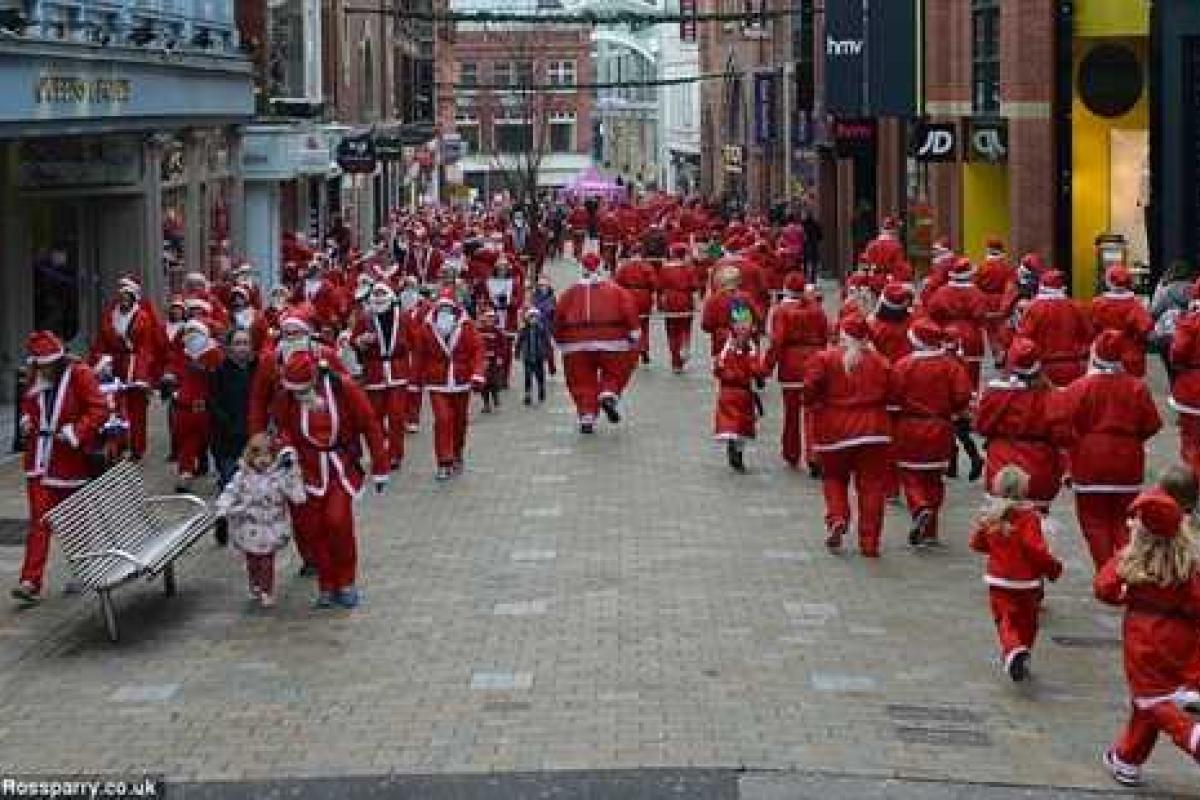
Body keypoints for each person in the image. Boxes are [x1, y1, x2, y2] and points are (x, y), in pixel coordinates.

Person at [1096, 488, 1200, 786]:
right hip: (1181, 635)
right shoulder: (1186, 563)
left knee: (1152, 700)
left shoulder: (1130, 559)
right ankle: (1127, 759)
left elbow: (1103, 587)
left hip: (1144, 638)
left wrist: (1125, 596)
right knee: (1148, 700)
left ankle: (1192, 736)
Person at [272, 351, 388, 608]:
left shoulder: (343, 388)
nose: (299, 396)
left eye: (303, 390)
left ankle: (346, 581)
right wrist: (285, 449)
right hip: (306, 470)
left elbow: (370, 424)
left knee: (338, 523)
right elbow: (282, 427)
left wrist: (380, 466)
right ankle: (326, 585)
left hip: (340, 467)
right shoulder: (287, 396)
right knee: (314, 531)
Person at [12, 332, 108, 604]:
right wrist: (27, 420)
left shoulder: (79, 374)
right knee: (39, 522)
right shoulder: (36, 375)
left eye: (47, 365)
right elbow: (30, 405)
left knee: (75, 520)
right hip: (39, 460)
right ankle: (30, 581)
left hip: (69, 459)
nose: (42, 370)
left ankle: (83, 570)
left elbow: (99, 409)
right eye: (39, 365)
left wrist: (76, 431)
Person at [1059, 330, 1162, 572]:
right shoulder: (1137, 388)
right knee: (1125, 522)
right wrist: (1131, 440)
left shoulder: (1079, 388)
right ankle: (1128, 570)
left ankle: (1107, 572)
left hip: (1089, 462)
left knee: (1094, 522)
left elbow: (1063, 424)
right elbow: (1151, 424)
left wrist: (1072, 452)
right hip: (1128, 461)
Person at [803, 313, 893, 557]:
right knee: (872, 486)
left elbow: (810, 388)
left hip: (835, 430)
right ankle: (870, 542)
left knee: (834, 478)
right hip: (874, 431)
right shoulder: (880, 362)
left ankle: (837, 517)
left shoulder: (825, 358)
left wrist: (815, 404)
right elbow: (892, 392)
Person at [969, 465, 1064, 682]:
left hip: (999, 579)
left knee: (1005, 620)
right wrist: (1053, 567)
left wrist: (995, 546)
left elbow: (976, 543)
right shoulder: (1029, 517)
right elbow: (1035, 549)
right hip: (1027, 581)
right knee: (1028, 621)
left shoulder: (991, 515)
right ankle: (1023, 651)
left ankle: (1013, 649)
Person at [890, 319, 974, 547]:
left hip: (910, 428)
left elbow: (893, 399)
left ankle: (919, 507)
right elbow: (962, 396)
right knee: (934, 479)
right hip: (940, 428)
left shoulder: (903, 366)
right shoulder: (950, 366)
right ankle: (930, 531)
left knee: (910, 475)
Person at [974, 338, 1070, 514]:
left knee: (1002, 518)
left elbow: (980, 427)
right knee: (1037, 518)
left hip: (1002, 464)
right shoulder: (1051, 396)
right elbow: (1062, 435)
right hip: (1041, 465)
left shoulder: (995, 393)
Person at [214, 435, 307, 608]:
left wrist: (293, 472)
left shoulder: (278, 477)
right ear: (250, 456)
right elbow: (230, 491)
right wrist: (223, 507)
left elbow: (297, 496)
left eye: (267, 455)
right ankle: (255, 583)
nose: (263, 460)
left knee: (266, 561)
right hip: (249, 525)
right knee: (252, 561)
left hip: (271, 526)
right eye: (258, 456)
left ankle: (267, 590)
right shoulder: (242, 476)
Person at [553, 253, 641, 434]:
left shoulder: (569, 294)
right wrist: (634, 331)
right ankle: (608, 392)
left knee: (581, 380)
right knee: (615, 372)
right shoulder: (616, 291)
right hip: (613, 340)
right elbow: (629, 309)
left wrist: (559, 338)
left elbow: (558, 317)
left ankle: (587, 415)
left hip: (575, 342)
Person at [410, 291, 486, 479]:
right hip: (437, 382)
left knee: (460, 421)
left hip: (461, 380)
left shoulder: (466, 326)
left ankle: (457, 452)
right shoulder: (427, 328)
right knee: (443, 419)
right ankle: (444, 461)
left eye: (448, 307)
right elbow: (419, 356)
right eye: (441, 307)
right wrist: (414, 382)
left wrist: (477, 374)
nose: (444, 311)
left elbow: (477, 350)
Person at [89, 275, 161, 461]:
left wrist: (141, 374)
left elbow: (147, 347)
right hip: (113, 364)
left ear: (134, 297)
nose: (124, 300)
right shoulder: (110, 315)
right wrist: (100, 362)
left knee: (137, 409)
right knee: (114, 406)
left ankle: (137, 448)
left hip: (135, 365)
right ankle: (118, 445)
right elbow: (101, 342)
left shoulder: (143, 317)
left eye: (127, 297)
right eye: (121, 296)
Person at [763, 274, 829, 473]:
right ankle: (814, 453)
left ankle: (791, 452)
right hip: (814, 361)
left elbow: (777, 342)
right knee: (812, 411)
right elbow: (825, 336)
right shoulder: (817, 310)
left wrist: (766, 367)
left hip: (790, 365)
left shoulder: (781, 311)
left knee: (791, 413)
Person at [352, 282, 410, 471]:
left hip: (397, 371)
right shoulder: (365, 318)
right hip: (374, 371)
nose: (378, 297)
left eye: (381, 293)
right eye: (375, 293)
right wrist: (360, 341)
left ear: (390, 295)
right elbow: (354, 340)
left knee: (396, 416)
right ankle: (379, 450)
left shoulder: (402, 317)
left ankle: (395, 454)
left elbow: (413, 341)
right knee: (374, 417)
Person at [209, 329, 259, 546]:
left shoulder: (257, 370)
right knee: (230, 482)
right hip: (228, 439)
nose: (242, 348)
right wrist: (230, 426)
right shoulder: (219, 373)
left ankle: (250, 526)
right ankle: (223, 518)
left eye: (246, 343)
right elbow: (214, 404)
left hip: (254, 438)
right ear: (229, 348)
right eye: (238, 343)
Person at [162, 319, 223, 492]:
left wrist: (208, 371)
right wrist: (169, 378)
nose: (191, 336)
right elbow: (172, 368)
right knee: (187, 442)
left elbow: (220, 378)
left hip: (207, 408)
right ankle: (186, 473)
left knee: (214, 442)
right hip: (185, 406)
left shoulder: (214, 354)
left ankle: (218, 470)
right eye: (188, 333)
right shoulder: (183, 353)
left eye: (195, 332)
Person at [713, 307, 767, 472]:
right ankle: (737, 451)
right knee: (740, 424)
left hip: (733, 391)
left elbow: (718, 367)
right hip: (738, 391)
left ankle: (736, 450)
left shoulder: (730, 346)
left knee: (738, 424)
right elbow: (756, 368)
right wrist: (759, 376)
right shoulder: (748, 348)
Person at [1017, 270, 1092, 387]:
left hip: (1043, 369)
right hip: (1074, 366)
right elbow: (1089, 334)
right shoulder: (1077, 306)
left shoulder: (1033, 308)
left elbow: (1023, 341)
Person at [1089, 265, 1153, 378]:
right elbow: (1147, 329)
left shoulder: (1097, 304)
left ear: (1108, 282)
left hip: (1102, 353)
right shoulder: (1136, 306)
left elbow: (1091, 329)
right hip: (1129, 355)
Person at [657, 243, 701, 373]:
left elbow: (659, 288)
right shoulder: (689, 269)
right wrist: (697, 304)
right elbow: (694, 288)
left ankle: (675, 360)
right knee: (685, 329)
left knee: (671, 332)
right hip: (685, 300)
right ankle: (684, 350)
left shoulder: (664, 269)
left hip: (670, 301)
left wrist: (660, 304)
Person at [515, 308, 553, 405]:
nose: (533, 319)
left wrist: (548, 353)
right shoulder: (524, 329)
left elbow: (547, 341)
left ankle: (541, 391)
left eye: (535, 317)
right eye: (531, 317)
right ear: (527, 318)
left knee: (540, 375)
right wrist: (517, 352)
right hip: (527, 356)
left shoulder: (541, 328)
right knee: (528, 376)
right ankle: (528, 395)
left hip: (539, 356)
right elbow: (519, 341)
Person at [478, 309, 504, 413]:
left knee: (494, 381)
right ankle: (486, 404)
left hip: (494, 361)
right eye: (488, 317)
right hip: (482, 361)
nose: (490, 320)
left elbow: (502, 345)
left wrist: (499, 356)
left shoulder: (498, 332)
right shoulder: (479, 331)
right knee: (483, 383)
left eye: (492, 318)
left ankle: (495, 397)